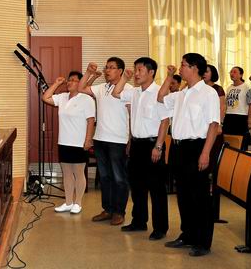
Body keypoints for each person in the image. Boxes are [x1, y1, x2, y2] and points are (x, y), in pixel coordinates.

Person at [158, 53, 220, 257]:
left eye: (183, 65)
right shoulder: (182, 93)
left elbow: (213, 124)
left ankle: (203, 241)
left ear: (194, 68)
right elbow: (160, 97)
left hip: (197, 148)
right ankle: (188, 235)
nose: (180, 68)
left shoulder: (208, 93)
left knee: (199, 196)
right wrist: (169, 76)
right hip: (179, 148)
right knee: (183, 195)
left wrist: (205, 153)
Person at [112, 57, 170, 240]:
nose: (136, 74)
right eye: (135, 70)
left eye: (140, 70)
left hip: (153, 145)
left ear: (151, 72)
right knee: (137, 186)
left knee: (156, 188)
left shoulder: (160, 92)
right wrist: (125, 77)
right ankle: (139, 221)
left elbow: (165, 121)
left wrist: (158, 146)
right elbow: (116, 92)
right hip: (136, 144)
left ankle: (160, 227)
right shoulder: (134, 92)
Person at [79, 57, 132, 226]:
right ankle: (107, 209)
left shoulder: (128, 89)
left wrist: (130, 139)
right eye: (106, 67)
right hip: (100, 139)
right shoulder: (101, 87)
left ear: (120, 71)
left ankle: (119, 212)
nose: (107, 70)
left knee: (119, 178)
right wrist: (88, 72)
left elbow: (132, 116)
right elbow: (81, 88)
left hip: (118, 140)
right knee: (105, 177)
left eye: (112, 67)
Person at [42, 71, 95, 215]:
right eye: (69, 80)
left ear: (81, 83)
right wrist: (56, 83)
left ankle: (78, 203)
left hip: (79, 142)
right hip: (64, 141)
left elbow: (91, 120)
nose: (69, 82)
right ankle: (68, 202)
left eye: (74, 80)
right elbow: (45, 97)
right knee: (66, 174)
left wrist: (88, 140)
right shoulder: (63, 97)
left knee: (78, 173)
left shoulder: (86, 99)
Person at [203, 64, 226, 223]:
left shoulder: (217, 89)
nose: (204, 73)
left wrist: (219, 124)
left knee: (212, 163)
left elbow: (222, 108)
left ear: (213, 74)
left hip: (214, 130)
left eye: (207, 71)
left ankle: (212, 191)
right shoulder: (198, 88)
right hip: (201, 130)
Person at [223, 66, 251, 146]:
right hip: (229, 117)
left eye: (234, 72)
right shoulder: (229, 88)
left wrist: (250, 120)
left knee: (240, 141)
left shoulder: (247, 87)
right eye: (231, 72)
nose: (232, 74)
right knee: (228, 141)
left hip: (241, 117)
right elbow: (226, 104)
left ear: (241, 75)